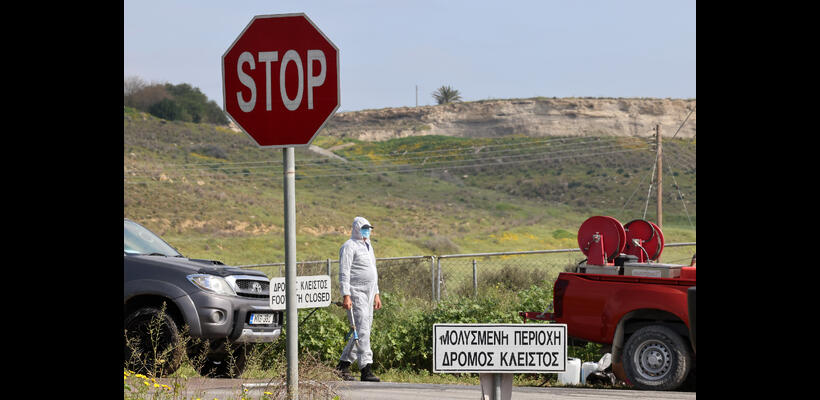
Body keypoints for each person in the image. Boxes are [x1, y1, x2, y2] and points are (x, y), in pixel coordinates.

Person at [335, 216, 382, 382]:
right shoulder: (349, 246)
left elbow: (373, 271)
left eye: (368, 229)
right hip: (356, 292)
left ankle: (342, 366)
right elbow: (344, 272)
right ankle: (365, 368)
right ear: (356, 229)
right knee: (362, 329)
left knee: (363, 330)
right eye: (364, 229)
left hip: (369, 293)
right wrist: (346, 295)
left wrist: (376, 293)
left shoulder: (369, 246)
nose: (366, 232)